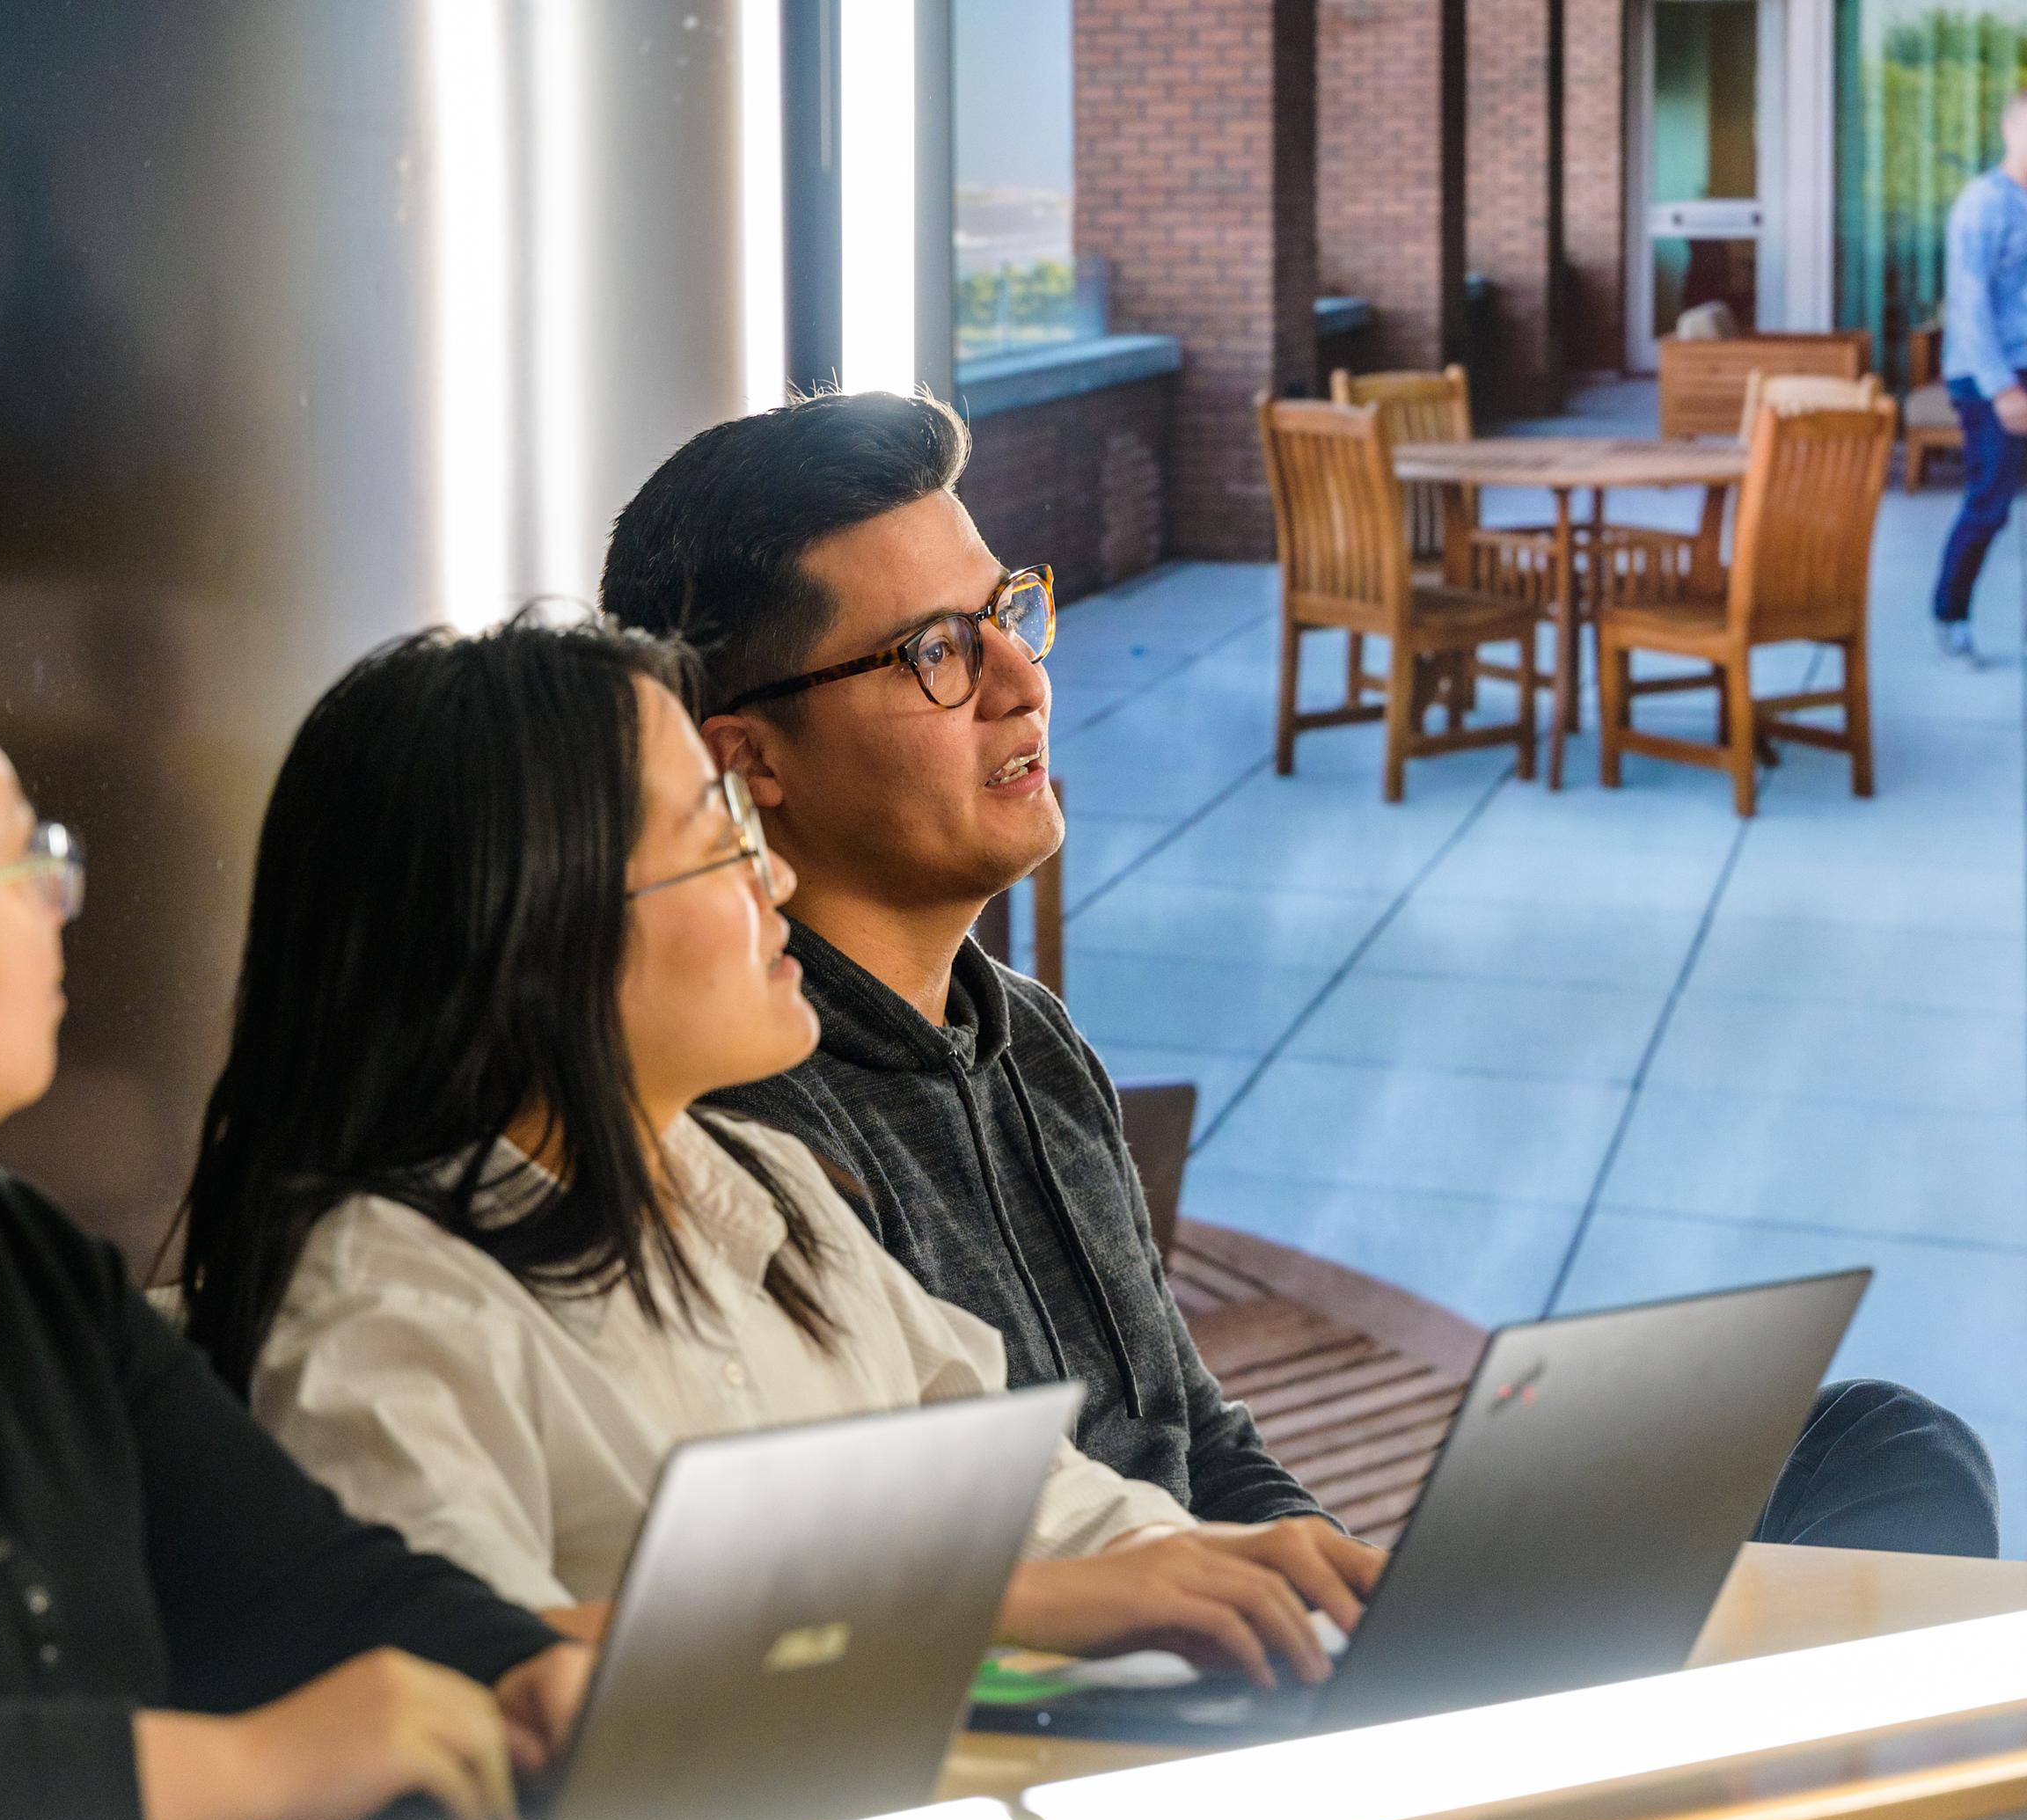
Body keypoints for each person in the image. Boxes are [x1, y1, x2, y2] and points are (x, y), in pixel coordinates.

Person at [598, 388, 1999, 1572]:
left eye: (1005, 615)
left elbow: (1200, 1436)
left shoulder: (1026, 1038)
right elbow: (907, 1611)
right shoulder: (751, 1145)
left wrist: (1330, 1587)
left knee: (1878, 1443)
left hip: (1269, 1672)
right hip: (1134, 1771)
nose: (1023, 678)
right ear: (748, 762)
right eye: (939, 655)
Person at [178, 618, 1369, 1686]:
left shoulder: (764, 1188)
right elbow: (462, 1666)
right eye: (721, 838)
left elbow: (1030, 1501)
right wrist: (1013, 1604)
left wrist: (1261, 1578)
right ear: (535, 915)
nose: (779, 876)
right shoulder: (387, 1301)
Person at [0, 642, 591, 1820]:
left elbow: (297, 1580)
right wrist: (244, 1770)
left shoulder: (22, 1263)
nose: (64, 902)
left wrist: (523, 1672)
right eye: (22, 861)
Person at [1934, 89, 2027, 661]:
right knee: (1990, 503)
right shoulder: (1984, 203)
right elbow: (1967, 305)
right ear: (2009, 129)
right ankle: (1949, 615)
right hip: (1988, 375)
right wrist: (2003, 389)